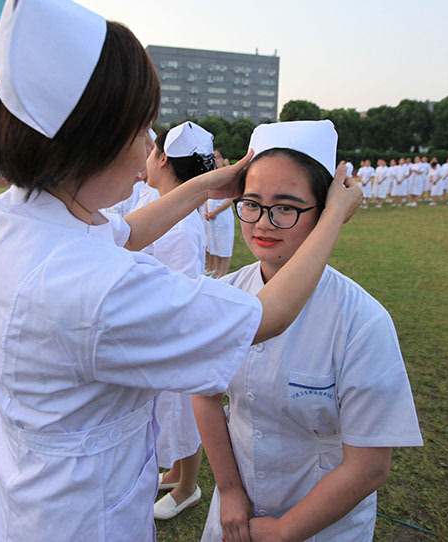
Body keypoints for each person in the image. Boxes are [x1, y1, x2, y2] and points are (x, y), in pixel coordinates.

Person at [0, 1, 362, 540]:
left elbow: (123, 233)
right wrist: (333, 215)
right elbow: (266, 317)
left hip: (35, 484)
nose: (150, 149)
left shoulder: (18, 212)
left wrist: (202, 184)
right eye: (142, 130)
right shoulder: (93, 289)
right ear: (92, 142)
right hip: (80, 513)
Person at [195, 122, 423, 542]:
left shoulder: (361, 321)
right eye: (252, 203)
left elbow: (369, 464)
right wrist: (228, 490)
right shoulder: (224, 295)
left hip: (324, 526)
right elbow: (205, 394)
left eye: (286, 207)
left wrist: (284, 531)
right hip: (236, 511)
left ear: (324, 212)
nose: (263, 223)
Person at [145, 122, 214, 520]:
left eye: (152, 153)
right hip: (165, 330)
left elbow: (181, 289)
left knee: (182, 412)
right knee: (169, 411)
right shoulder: (169, 207)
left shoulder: (181, 222)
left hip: (176, 333)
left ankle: (188, 487)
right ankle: (175, 472)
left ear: (164, 159)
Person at [204, 149, 235, 277]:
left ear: (222, 159)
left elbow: (231, 199)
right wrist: (206, 211)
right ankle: (216, 270)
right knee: (213, 245)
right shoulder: (211, 175)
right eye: (213, 158)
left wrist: (215, 212)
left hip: (222, 215)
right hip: (210, 216)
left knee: (224, 246)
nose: (215, 160)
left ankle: (223, 273)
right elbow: (206, 195)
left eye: (217, 157)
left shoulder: (229, 176)